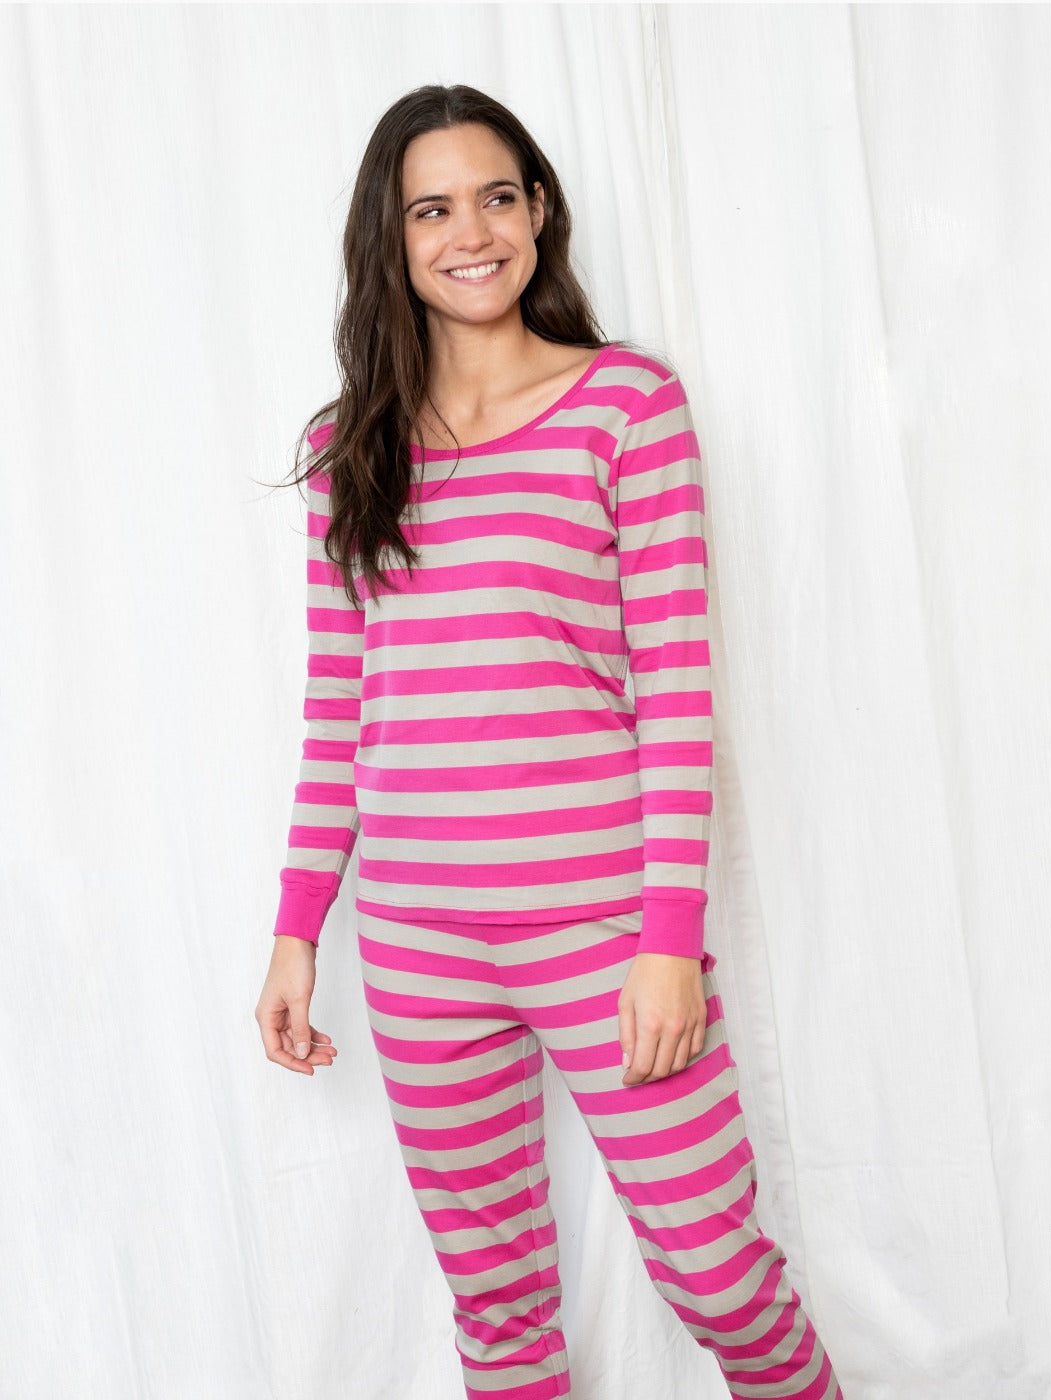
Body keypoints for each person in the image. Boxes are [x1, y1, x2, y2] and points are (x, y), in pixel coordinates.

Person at [255, 82, 844, 1400]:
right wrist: (298, 928)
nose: (471, 232)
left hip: (604, 931)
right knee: (498, 1302)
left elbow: (677, 691)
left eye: (496, 198)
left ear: (539, 214)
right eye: (432, 209)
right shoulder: (348, 447)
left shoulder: (624, 407)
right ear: (390, 237)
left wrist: (666, 941)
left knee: (717, 1274)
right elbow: (339, 710)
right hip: (417, 941)